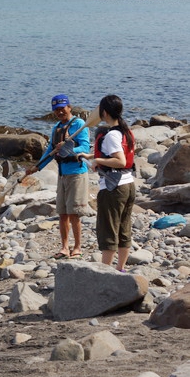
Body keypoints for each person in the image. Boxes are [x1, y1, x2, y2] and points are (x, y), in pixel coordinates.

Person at [26, 94, 91, 259]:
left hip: (77, 173)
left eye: (62, 108)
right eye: (56, 110)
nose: (59, 112)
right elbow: (50, 151)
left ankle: (77, 247)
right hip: (62, 174)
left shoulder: (79, 125)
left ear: (69, 107)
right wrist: (37, 167)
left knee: (74, 213)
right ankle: (64, 247)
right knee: (62, 213)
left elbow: (85, 147)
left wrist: (68, 147)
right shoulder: (56, 127)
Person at [77, 95, 136, 272]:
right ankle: (120, 268)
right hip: (129, 185)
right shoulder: (126, 131)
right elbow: (119, 156)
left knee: (108, 229)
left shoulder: (111, 135)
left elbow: (119, 160)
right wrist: (92, 157)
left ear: (103, 112)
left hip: (113, 188)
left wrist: (97, 162)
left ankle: (105, 271)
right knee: (124, 228)